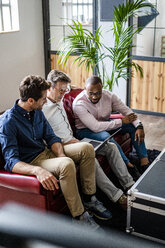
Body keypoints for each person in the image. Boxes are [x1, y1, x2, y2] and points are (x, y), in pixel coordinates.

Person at [0, 75, 112, 230]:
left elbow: (51, 136)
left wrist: (60, 155)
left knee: (86, 148)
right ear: (31, 100)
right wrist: (37, 170)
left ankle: (89, 198)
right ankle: (79, 216)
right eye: (44, 99)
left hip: (47, 152)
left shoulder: (37, 111)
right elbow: (10, 161)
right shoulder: (8, 122)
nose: (47, 101)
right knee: (66, 164)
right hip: (32, 161)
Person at [43, 69, 135, 212]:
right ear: (49, 87)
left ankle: (129, 185)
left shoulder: (58, 98)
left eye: (65, 89)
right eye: (61, 90)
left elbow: (75, 89)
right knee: (90, 154)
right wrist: (64, 143)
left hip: (74, 140)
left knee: (110, 146)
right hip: (60, 146)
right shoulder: (41, 108)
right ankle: (117, 197)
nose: (64, 94)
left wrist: (71, 88)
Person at [72, 75, 149, 174]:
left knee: (132, 126)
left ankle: (144, 161)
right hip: (86, 130)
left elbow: (127, 111)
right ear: (85, 89)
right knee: (106, 136)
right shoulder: (79, 103)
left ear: (102, 88)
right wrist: (121, 122)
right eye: (91, 93)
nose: (94, 97)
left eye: (98, 93)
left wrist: (139, 126)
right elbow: (95, 127)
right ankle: (128, 165)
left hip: (106, 123)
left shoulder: (109, 96)